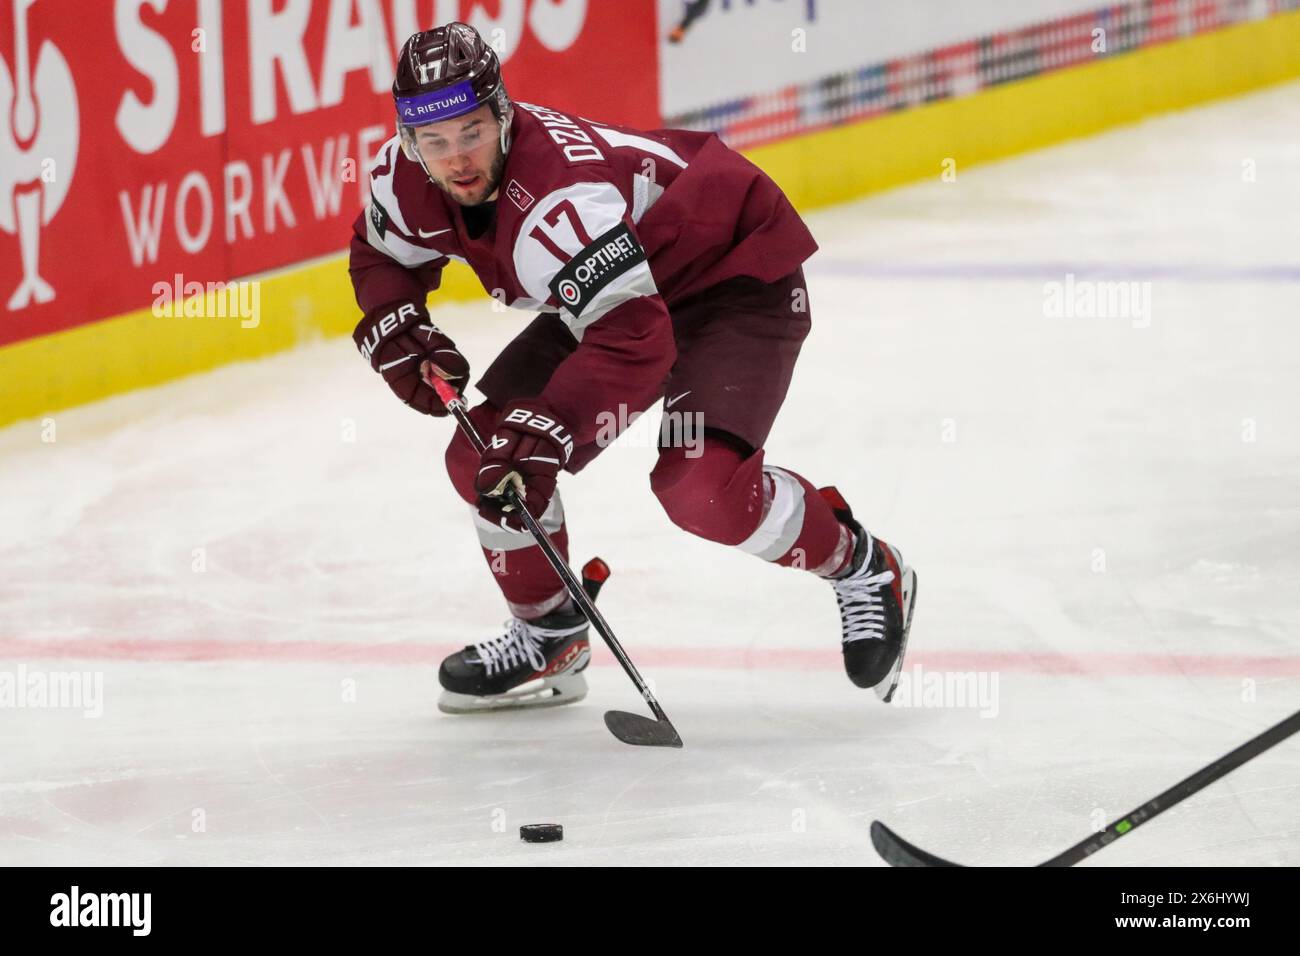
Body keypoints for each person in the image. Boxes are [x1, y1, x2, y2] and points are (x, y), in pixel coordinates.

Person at [348, 22, 917, 714]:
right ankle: (550, 632)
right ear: (411, 142)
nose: (457, 160)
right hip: (618, 295)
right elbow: (383, 257)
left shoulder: (560, 201)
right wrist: (397, 324)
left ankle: (863, 565)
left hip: (730, 274)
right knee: (483, 460)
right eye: (434, 143)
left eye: (471, 132)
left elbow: (634, 339)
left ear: (501, 114)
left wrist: (549, 425)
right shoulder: (404, 179)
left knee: (701, 488)